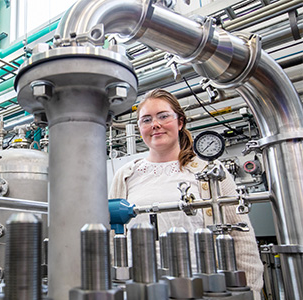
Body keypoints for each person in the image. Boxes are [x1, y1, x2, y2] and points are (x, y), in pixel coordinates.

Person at [109, 89, 264, 299]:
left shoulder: (209, 170)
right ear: (139, 128)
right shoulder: (126, 175)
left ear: (180, 122)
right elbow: (112, 238)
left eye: (163, 116)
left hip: (201, 290)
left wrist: (250, 292)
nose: (155, 124)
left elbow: (242, 238)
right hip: (139, 289)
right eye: (146, 120)